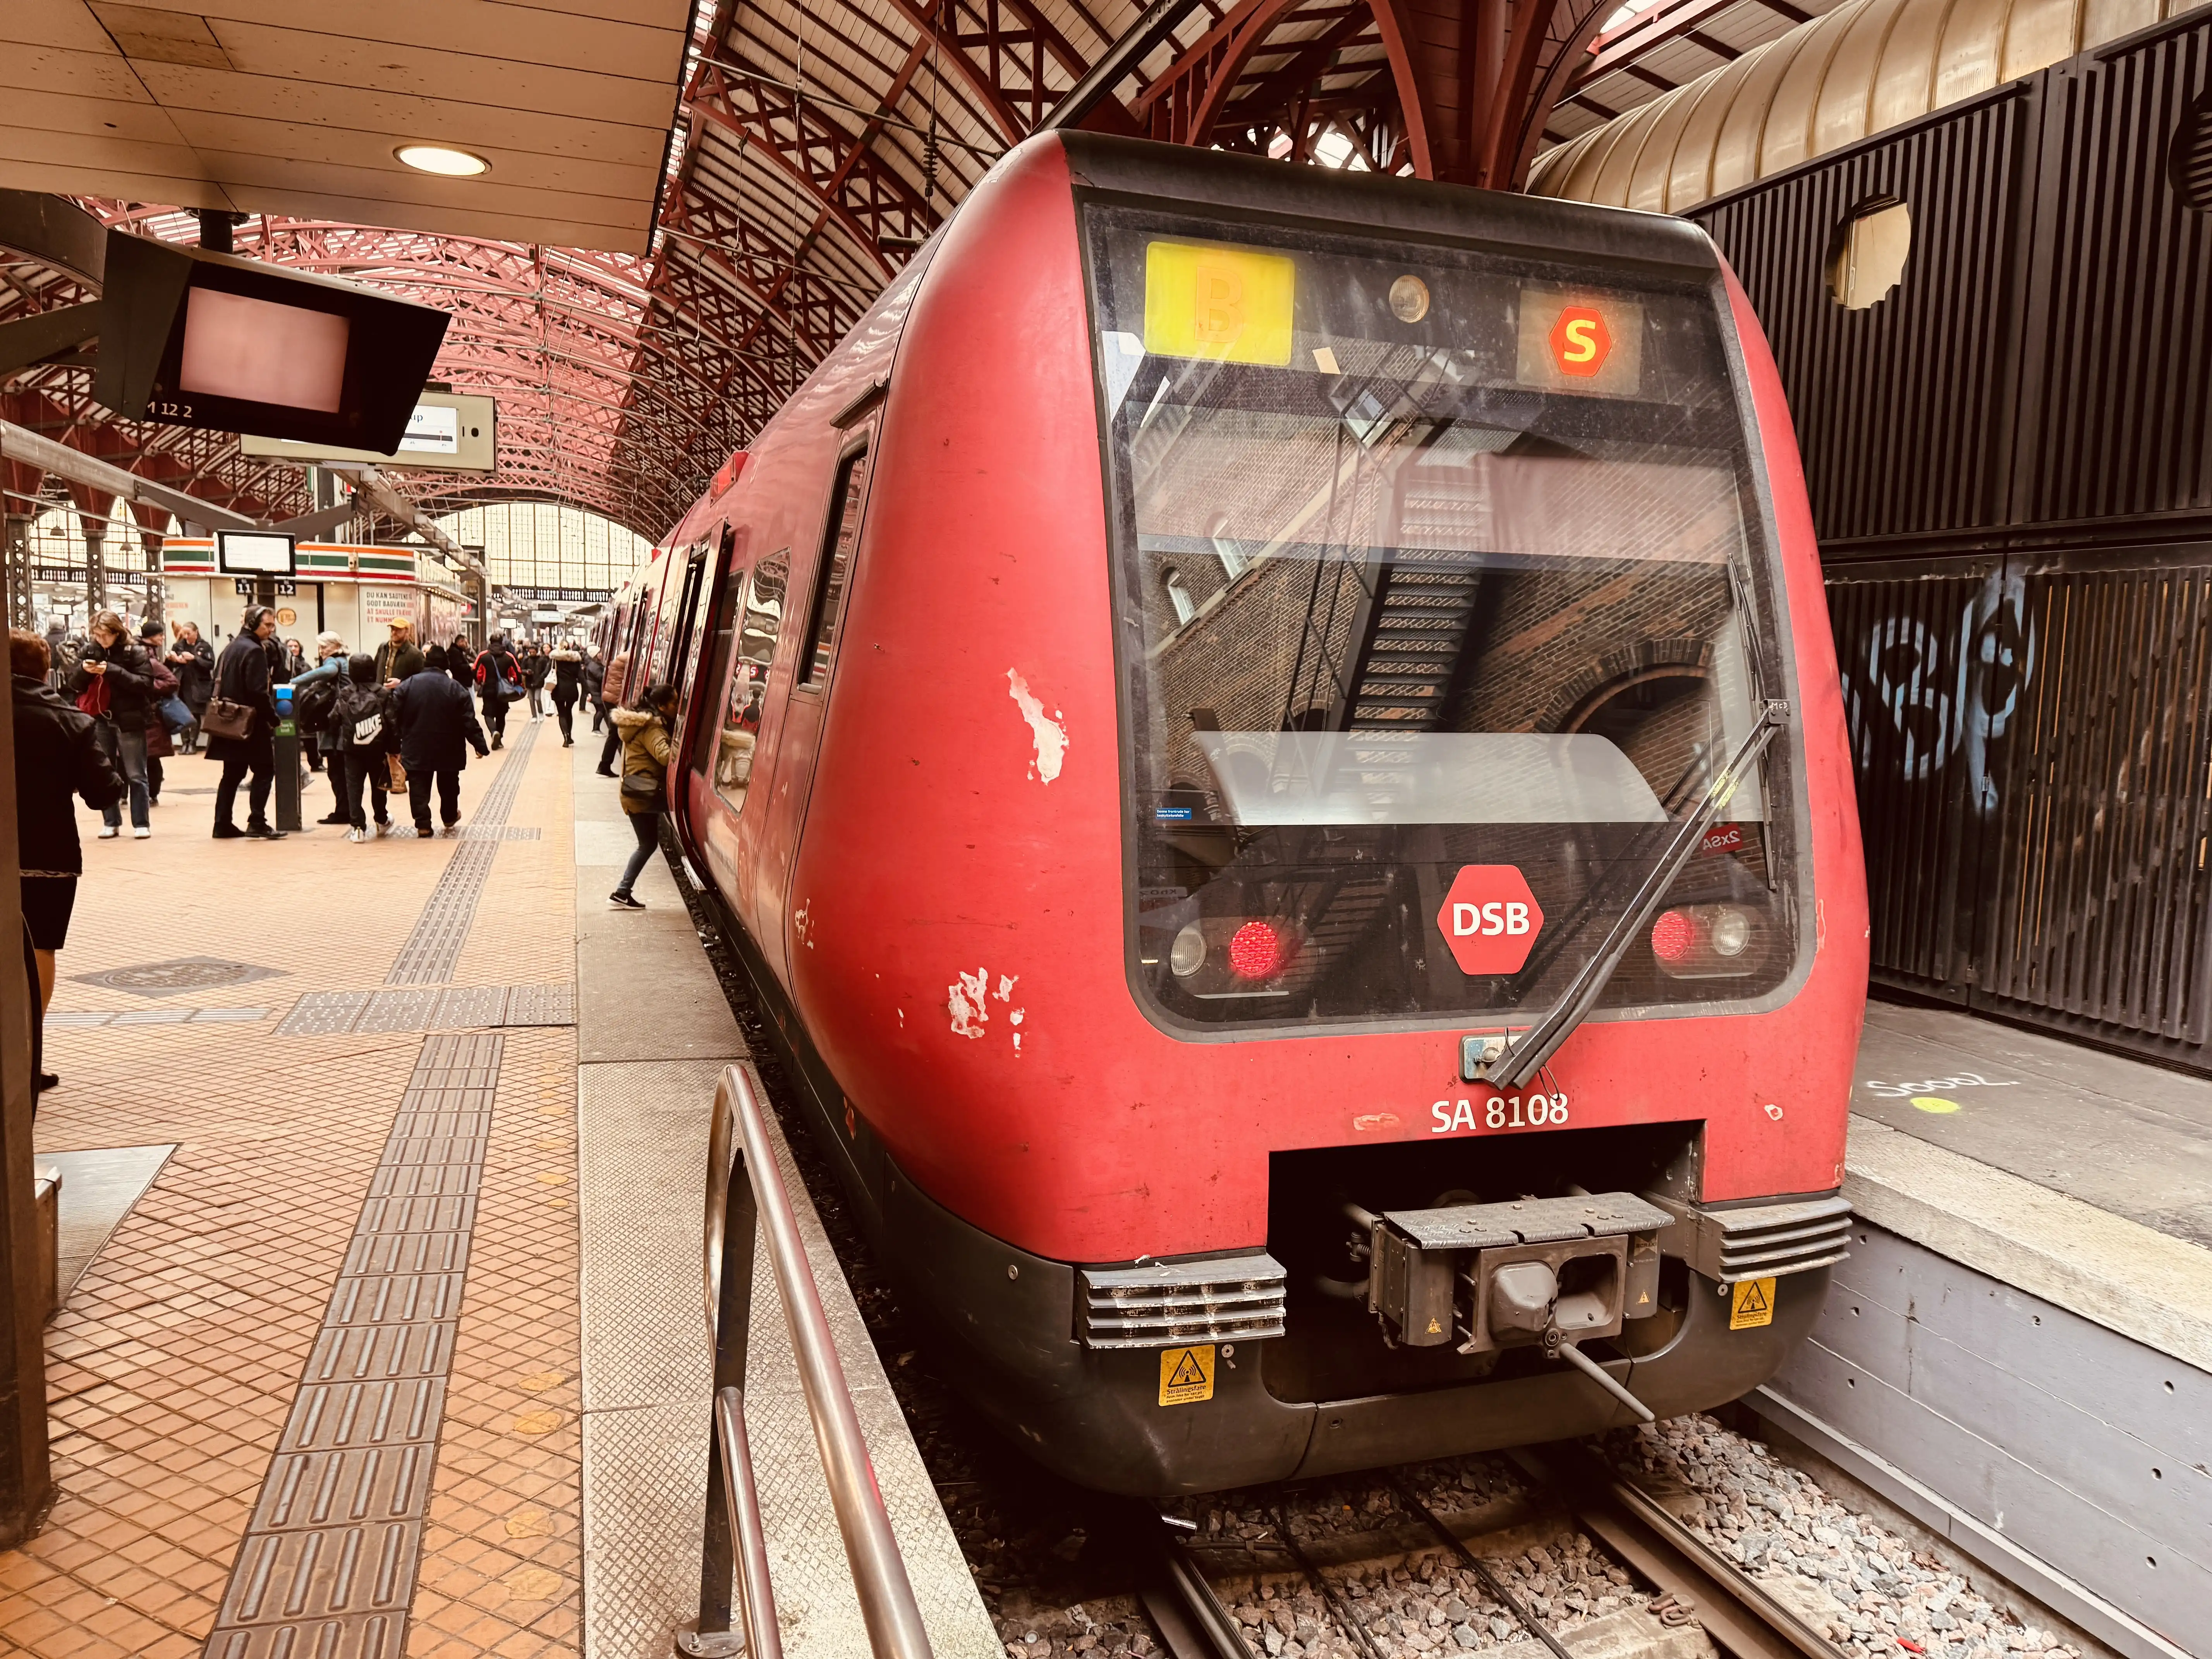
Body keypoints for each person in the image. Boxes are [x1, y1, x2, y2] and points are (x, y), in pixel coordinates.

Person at [14, 629, 122, 1098]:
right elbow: (103, 792)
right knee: (40, 948)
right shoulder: (68, 720)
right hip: (46, 852)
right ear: (46, 671)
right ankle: (26, 1054)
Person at [68, 609, 154, 840]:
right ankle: (111, 822)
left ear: (117, 632)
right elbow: (74, 684)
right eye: (97, 635)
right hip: (100, 719)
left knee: (136, 774)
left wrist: (112, 671)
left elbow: (145, 684)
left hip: (129, 720)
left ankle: (141, 823)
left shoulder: (134, 652)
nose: (101, 639)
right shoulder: (90, 650)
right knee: (105, 772)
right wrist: (84, 672)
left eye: (105, 634)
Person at [209, 605, 286, 840]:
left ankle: (222, 824)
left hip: (228, 721)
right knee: (265, 770)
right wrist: (273, 718)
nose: (271, 630)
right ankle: (257, 822)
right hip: (251, 723)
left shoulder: (231, 647)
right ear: (252, 624)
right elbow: (258, 693)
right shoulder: (255, 651)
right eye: (268, 625)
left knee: (232, 774)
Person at [392, 654, 489, 836]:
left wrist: (395, 745)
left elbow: (394, 716)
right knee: (449, 784)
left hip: (416, 745)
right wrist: (479, 745)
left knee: (418, 785)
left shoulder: (408, 685)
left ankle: (423, 824)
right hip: (449, 746)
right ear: (446, 666)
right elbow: (468, 720)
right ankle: (449, 816)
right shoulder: (456, 688)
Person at [608, 682, 678, 910]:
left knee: (648, 844)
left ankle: (622, 893)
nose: (678, 707)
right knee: (647, 845)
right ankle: (621, 892)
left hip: (636, 791)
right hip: (643, 794)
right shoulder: (652, 729)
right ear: (662, 706)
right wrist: (680, 745)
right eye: (675, 703)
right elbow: (665, 757)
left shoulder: (639, 725)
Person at [290, 632, 352, 825]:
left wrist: (294, 682)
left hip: (337, 724)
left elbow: (328, 671)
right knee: (341, 770)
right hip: (345, 721)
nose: (322, 651)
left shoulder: (335, 661)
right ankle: (346, 809)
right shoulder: (345, 662)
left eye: (325, 647)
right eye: (321, 647)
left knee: (337, 770)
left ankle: (343, 811)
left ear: (336, 646)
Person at [334, 653, 396, 841]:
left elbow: (336, 718)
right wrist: (395, 749)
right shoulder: (382, 693)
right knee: (379, 786)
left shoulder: (346, 693)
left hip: (352, 749)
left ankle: (358, 828)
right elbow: (392, 722)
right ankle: (381, 819)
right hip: (377, 748)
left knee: (354, 787)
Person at [167, 620, 214, 752]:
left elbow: (210, 665)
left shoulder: (204, 647)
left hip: (197, 685)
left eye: (189, 634)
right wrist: (174, 660)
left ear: (196, 632)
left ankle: (193, 743)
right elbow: (170, 666)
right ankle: (184, 742)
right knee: (182, 713)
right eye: (184, 634)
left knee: (194, 713)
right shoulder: (178, 646)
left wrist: (194, 659)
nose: (186, 637)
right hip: (182, 684)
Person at [473, 634, 523, 750]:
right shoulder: (509, 657)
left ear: (490, 642)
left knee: (488, 714)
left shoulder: (483, 656)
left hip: (488, 689)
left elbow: (475, 671)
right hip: (504, 691)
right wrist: (516, 685)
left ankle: (493, 732)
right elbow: (518, 673)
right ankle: (499, 740)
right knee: (501, 715)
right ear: (502, 642)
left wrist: (480, 682)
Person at [595, 649, 630, 776]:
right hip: (616, 700)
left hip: (610, 698)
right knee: (616, 734)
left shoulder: (620, 659)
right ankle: (605, 765)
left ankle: (605, 765)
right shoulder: (629, 660)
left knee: (614, 734)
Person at [549, 642, 583, 746]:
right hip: (572, 689)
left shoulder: (556, 659)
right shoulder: (575, 661)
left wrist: (538, 682)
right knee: (569, 712)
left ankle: (566, 737)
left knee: (562, 713)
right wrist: (588, 690)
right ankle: (570, 736)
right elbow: (581, 677)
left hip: (558, 689)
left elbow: (547, 672)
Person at [375, 617, 425, 687]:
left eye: (398, 630)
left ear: (407, 632)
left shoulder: (416, 654)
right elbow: (375, 671)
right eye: (392, 629)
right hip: (380, 692)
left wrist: (401, 683)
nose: (394, 633)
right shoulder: (383, 648)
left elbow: (420, 681)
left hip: (401, 693)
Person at [522, 640, 550, 720]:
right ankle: (534, 715)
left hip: (539, 682)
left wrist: (542, 677)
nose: (532, 654)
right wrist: (526, 672)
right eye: (530, 652)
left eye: (533, 652)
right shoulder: (526, 660)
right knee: (531, 700)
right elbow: (522, 670)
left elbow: (545, 670)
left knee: (537, 698)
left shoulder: (542, 660)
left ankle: (541, 713)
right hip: (529, 682)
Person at [583, 645, 606, 733]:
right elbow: (600, 677)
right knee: (601, 709)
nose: (601, 654)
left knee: (600, 709)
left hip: (595, 689)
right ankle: (596, 729)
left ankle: (596, 729)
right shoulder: (594, 666)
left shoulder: (594, 664)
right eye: (599, 653)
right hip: (595, 690)